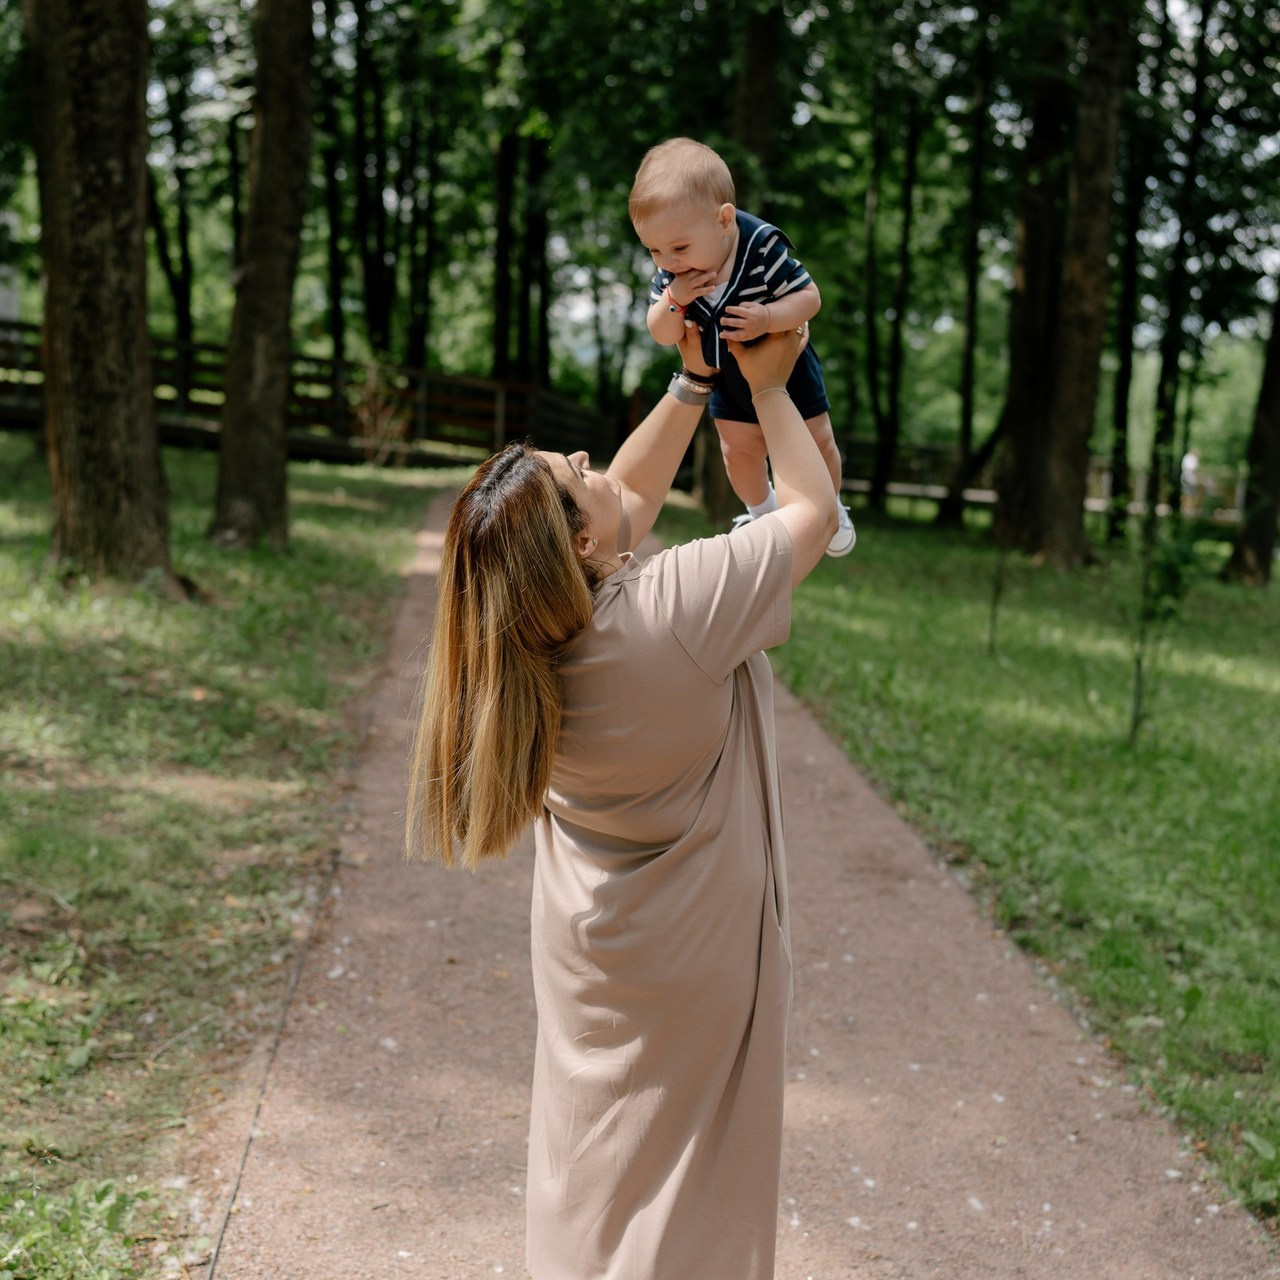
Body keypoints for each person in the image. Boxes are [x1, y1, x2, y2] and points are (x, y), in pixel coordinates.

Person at [404, 321, 837, 1280]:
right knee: (695, 1198)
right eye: (576, 471)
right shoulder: (676, 614)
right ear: (584, 544)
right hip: (694, 954)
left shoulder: (521, 649)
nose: (589, 458)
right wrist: (766, 386)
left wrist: (693, 380)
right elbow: (811, 507)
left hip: (593, 951)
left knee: (590, 1173)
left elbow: (621, 503)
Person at [629, 135, 856, 557]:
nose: (667, 262)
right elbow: (661, 333)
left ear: (724, 220)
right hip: (725, 370)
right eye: (654, 250)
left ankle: (832, 506)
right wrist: (673, 301)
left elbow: (810, 299)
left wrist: (769, 317)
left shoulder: (761, 248)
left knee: (818, 441)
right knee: (737, 453)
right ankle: (762, 511)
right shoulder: (671, 277)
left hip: (784, 364)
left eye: (679, 248)